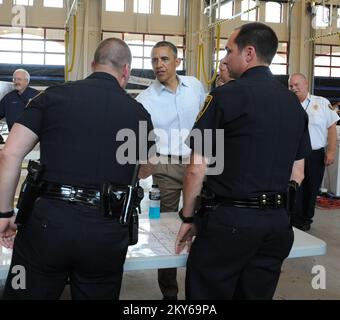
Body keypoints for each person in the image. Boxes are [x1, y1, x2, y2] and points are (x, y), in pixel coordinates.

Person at [0, 38, 155, 300]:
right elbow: (147, 168)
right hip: (106, 232)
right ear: (126, 70)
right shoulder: (138, 113)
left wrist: (4, 212)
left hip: (46, 226)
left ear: (93, 64)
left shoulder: (51, 96)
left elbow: (9, 154)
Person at [175, 22, 312, 300]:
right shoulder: (293, 105)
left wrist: (188, 216)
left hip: (229, 223)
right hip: (276, 225)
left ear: (249, 53)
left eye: (229, 51)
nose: (225, 59)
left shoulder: (224, 96)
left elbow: (196, 168)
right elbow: (298, 172)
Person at [136, 41, 206, 300]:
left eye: (164, 59)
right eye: (154, 60)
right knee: (164, 230)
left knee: (201, 223)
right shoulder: (146, 98)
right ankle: (169, 293)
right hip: (164, 164)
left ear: (178, 61)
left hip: (196, 163)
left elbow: (206, 121)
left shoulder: (196, 87)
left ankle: (199, 288)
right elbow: (145, 136)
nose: (158, 65)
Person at [288, 73, 339, 231]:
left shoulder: (322, 103)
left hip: (314, 154)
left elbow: (331, 128)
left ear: (306, 85)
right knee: (294, 186)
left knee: (312, 187)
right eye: (291, 86)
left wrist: (330, 151)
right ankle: (293, 218)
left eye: (297, 85)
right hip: (293, 155)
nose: (294, 88)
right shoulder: (287, 104)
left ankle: (306, 218)